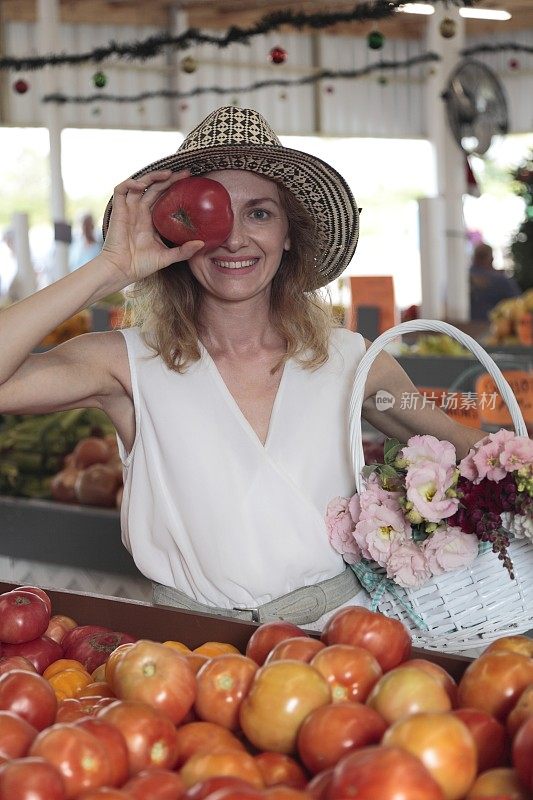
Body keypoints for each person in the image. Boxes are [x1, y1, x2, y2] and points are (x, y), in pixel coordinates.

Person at [0, 106, 486, 628]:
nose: (234, 239)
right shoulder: (126, 363)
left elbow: (475, 454)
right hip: (188, 653)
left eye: (259, 213)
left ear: (290, 233)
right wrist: (111, 268)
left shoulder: (356, 363)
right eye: (212, 215)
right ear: (175, 234)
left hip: (339, 643)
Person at [469, 242, 520, 322]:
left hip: (465, 326)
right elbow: (517, 302)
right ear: (491, 259)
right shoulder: (501, 280)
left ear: (473, 258)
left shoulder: (462, 279)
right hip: (495, 326)